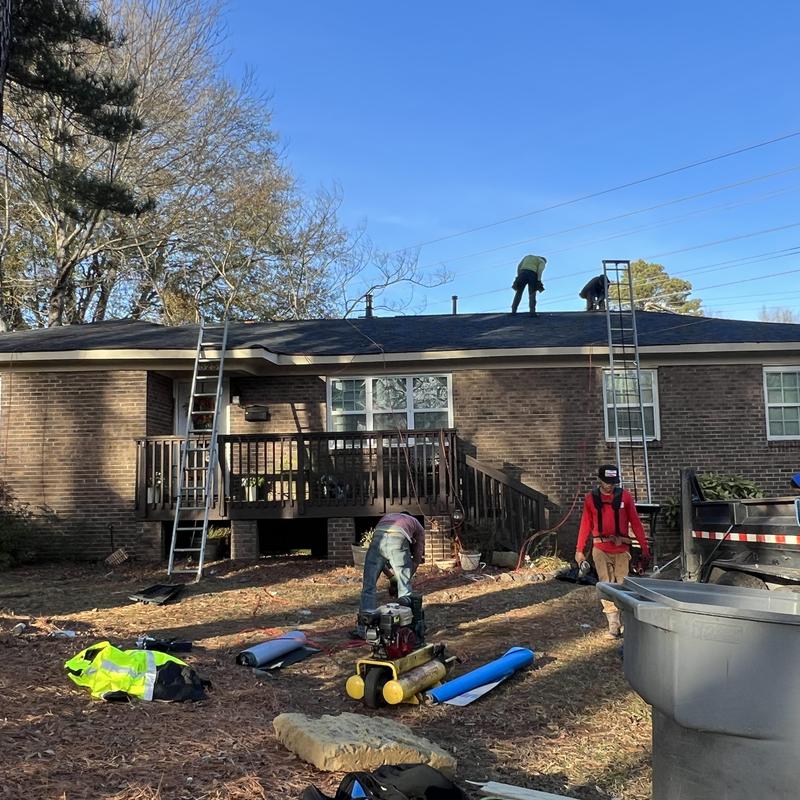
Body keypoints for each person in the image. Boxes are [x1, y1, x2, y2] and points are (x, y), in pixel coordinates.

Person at [575, 465, 651, 638]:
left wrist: (644, 548)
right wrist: (579, 550)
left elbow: (636, 523)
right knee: (607, 585)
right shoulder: (590, 499)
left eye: (613, 482)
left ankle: (627, 622)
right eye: (607, 482)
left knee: (623, 585)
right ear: (600, 480)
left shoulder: (625, 497)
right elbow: (585, 525)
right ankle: (614, 625)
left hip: (622, 547)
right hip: (600, 548)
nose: (610, 485)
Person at [352, 512, 426, 638]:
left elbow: (380, 561)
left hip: (378, 537)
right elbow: (417, 557)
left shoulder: (388, 517)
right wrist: (403, 578)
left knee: (369, 586)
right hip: (398, 538)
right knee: (404, 589)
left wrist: (392, 577)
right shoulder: (417, 525)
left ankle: (364, 630)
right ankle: (404, 630)